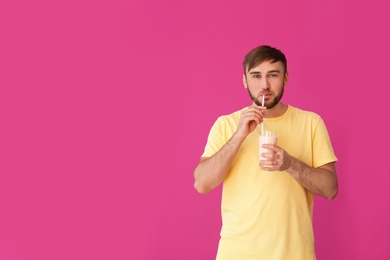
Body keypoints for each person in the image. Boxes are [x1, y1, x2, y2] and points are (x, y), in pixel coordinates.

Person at [194, 45, 338, 260]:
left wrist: (290, 164)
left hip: (294, 254)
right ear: (244, 80)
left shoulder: (311, 123)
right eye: (256, 76)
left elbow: (331, 189)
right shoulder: (226, 124)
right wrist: (239, 135)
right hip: (237, 254)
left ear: (286, 78)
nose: (265, 85)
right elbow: (202, 183)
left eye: (273, 75)